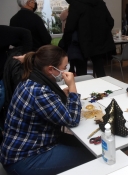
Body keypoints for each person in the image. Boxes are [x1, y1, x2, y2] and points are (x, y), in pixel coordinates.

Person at [0, 45, 94, 175]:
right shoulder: (39, 91)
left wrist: (60, 95)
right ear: (51, 69)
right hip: (25, 159)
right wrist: (72, 87)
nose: (67, 71)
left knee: (86, 144)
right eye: (64, 68)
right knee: (92, 155)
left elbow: (46, 103)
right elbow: (72, 119)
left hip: (23, 148)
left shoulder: (32, 79)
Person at [61, 0, 115, 77]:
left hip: (81, 43)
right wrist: (101, 34)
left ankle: (84, 92)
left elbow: (70, 26)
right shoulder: (100, 3)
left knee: (82, 73)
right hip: (99, 43)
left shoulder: (76, 3)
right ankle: (104, 91)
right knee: (100, 71)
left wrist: (64, 42)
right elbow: (110, 22)